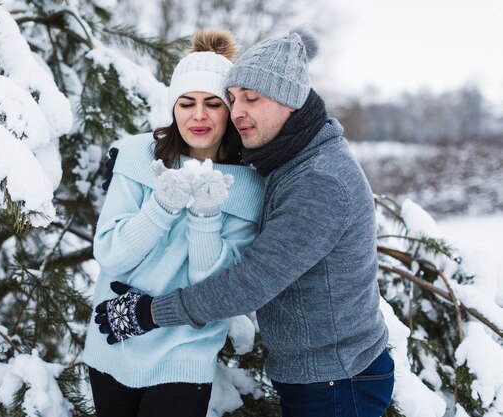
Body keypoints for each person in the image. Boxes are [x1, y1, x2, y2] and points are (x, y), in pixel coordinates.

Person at [95, 30, 395, 417]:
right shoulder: (291, 157)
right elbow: (219, 147)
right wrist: (132, 164)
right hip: (322, 375)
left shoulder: (319, 180)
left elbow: (251, 283)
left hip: (338, 382)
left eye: (251, 98)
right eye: (233, 98)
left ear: (291, 100)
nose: (237, 112)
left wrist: (150, 313)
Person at [82, 29, 265, 417]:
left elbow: (212, 289)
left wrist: (205, 216)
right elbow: (111, 255)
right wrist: (160, 207)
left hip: (185, 352)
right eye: (187, 103)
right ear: (173, 107)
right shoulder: (136, 156)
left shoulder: (246, 187)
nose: (198, 116)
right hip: (113, 340)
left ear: (229, 111)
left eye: (212, 103)